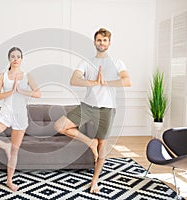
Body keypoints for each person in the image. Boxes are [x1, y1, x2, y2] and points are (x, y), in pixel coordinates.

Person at [54, 28, 131, 193]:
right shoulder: (86, 62)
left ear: (109, 43)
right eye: (98, 40)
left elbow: (127, 81)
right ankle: (90, 142)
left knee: (103, 145)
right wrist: (93, 82)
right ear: (94, 42)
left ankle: (94, 181)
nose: (101, 43)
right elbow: (74, 80)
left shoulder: (117, 62)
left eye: (104, 40)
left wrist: (106, 82)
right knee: (60, 125)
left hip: (107, 109)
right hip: (88, 106)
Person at [0, 47, 41, 192]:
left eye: (18, 56)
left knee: (15, 151)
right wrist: (11, 91)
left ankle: (9, 181)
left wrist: (21, 91)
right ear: (9, 59)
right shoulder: (2, 76)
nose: (16, 59)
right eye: (13, 56)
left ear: (22, 59)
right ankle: (5, 146)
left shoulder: (27, 76)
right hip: (5, 114)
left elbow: (38, 94)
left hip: (20, 116)